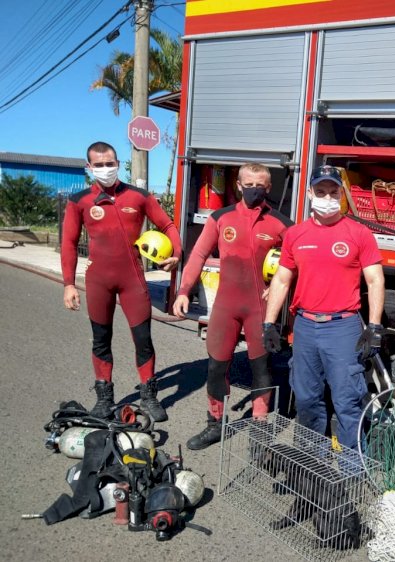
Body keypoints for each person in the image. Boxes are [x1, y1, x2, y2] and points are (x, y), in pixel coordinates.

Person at [262, 164, 385, 450]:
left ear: (342, 194)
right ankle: (311, 463)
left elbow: (375, 279)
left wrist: (375, 326)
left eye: (333, 191)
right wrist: (269, 323)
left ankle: (352, 470)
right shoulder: (295, 234)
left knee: (347, 401)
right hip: (304, 326)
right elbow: (281, 279)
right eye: (320, 191)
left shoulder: (359, 233)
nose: (327, 197)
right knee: (306, 398)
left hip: (343, 327)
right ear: (309, 193)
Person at [173, 162, 292, 450]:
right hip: (226, 305)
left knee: (261, 368)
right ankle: (215, 423)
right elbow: (199, 253)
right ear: (238, 186)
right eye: (249, 185)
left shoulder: (280, 224)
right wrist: (184, 291)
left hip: (260, 309)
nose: (255, 190)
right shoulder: (221, 218)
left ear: (269, 187)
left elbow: (295, 266)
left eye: (261, 185)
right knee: (216, 366)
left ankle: (260, 425)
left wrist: (282, 297)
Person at [61, 141, 182, 422]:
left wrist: (176, 253)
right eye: (99, 165)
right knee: (101, 340)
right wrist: (68, 283)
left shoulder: (138, 196)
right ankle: (104, 397)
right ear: (89, 168)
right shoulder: (79, 201)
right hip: (98, 281)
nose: (106, 169)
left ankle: (149, 395)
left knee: (143, 340)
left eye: (110, 163)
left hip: (133, 280)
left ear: (118, 163)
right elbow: (68, 243)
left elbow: (168, 225)